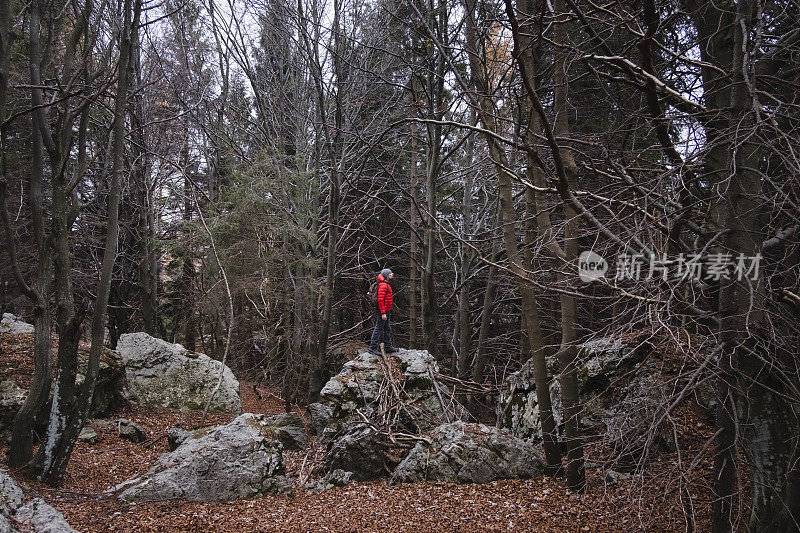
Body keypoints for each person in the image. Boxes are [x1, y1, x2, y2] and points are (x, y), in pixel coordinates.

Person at [370, 268, 398, 355]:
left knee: (387, 328)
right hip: (383, 311)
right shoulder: (383, 286)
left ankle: (388, 347)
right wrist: (383, 313)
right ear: (386, 276)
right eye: (390, 274)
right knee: (379, 328)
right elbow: (380, 300)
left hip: (386, 310)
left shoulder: (387, 284)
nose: (392, 274)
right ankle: (373, 348)